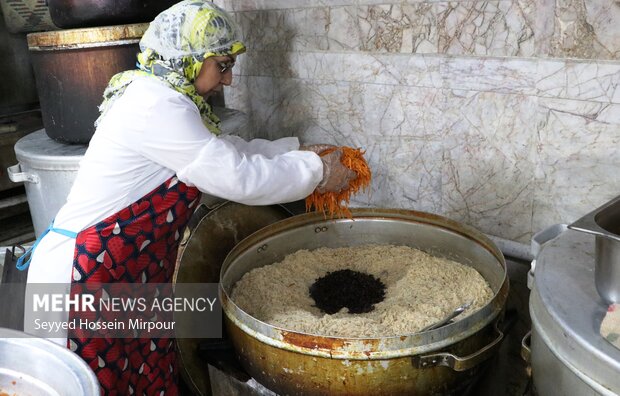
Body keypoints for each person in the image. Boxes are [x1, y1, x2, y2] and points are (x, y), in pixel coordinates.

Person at [20, 1, 356, 394]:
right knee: (91, 384)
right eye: (223, 65)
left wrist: (299, 150)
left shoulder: (166, 97)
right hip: (82, 276)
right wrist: (317, 173)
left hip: (117, 269)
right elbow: (235, 177)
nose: (228, 80)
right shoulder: (155, 105)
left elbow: (224, 151)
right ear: (190, 60)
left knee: (138, 375)